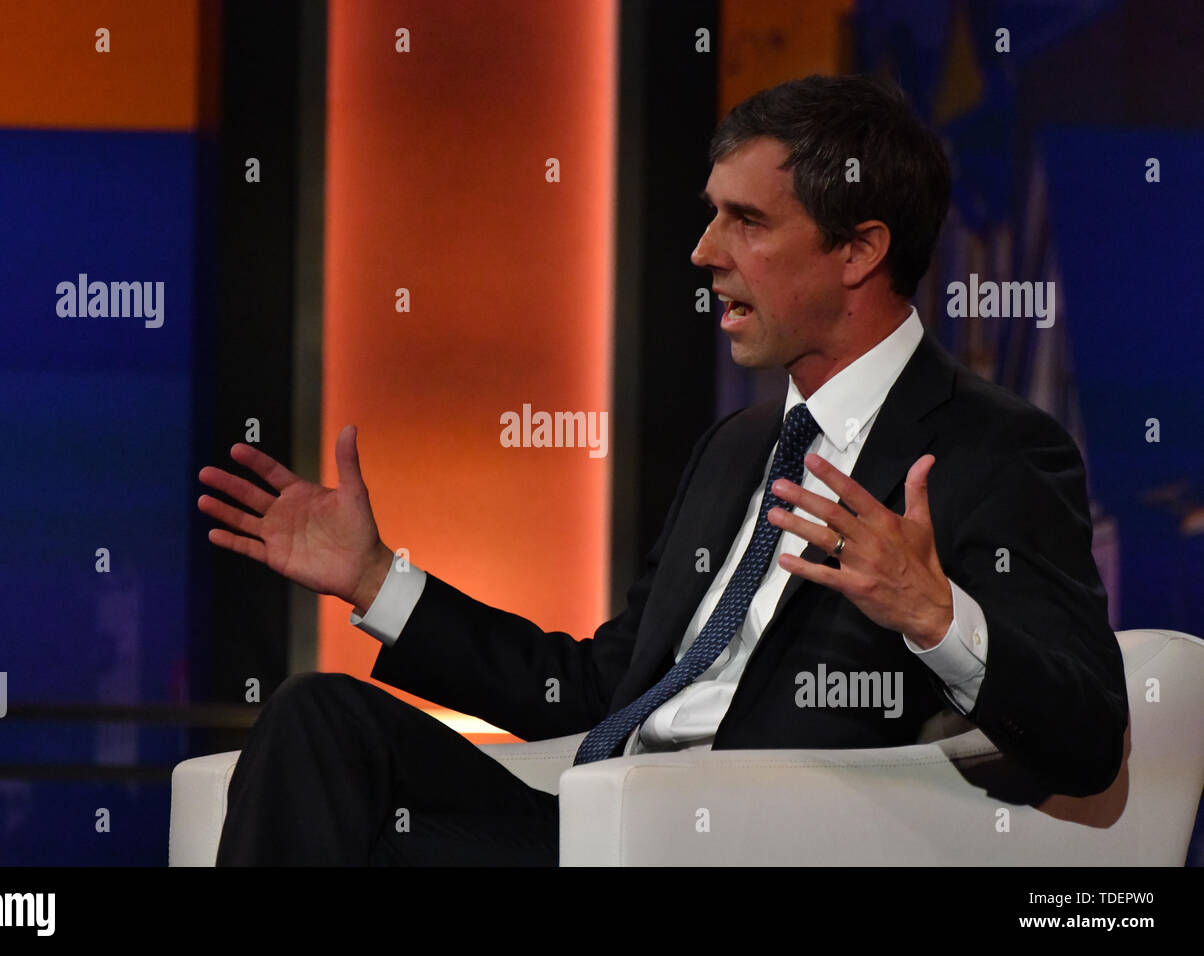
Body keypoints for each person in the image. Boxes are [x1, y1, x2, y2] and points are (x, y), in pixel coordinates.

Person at [199, 74, 1128, 866]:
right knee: (318, 723)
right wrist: (374, 580)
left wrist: (936, 617)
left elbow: (1087, 741)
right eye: (711, 215)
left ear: (859, 250)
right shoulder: (739, 448)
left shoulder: (996, 448)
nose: (703, 253)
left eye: (746, 222)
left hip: (742, 845)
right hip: (602, 825)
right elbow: (604, 689)